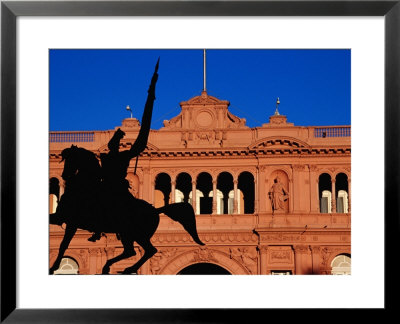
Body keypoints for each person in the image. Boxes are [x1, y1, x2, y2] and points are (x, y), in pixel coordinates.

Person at [88, 59, 159, 242]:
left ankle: (99, 226)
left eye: (114, 143)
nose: (112, 146)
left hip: (117, 189)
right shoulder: (105, 157)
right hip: (106, 187)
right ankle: (97, 227)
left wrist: (150, 100)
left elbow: (141, 144)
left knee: (108, 200)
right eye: (111, 143)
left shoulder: (124, 155)